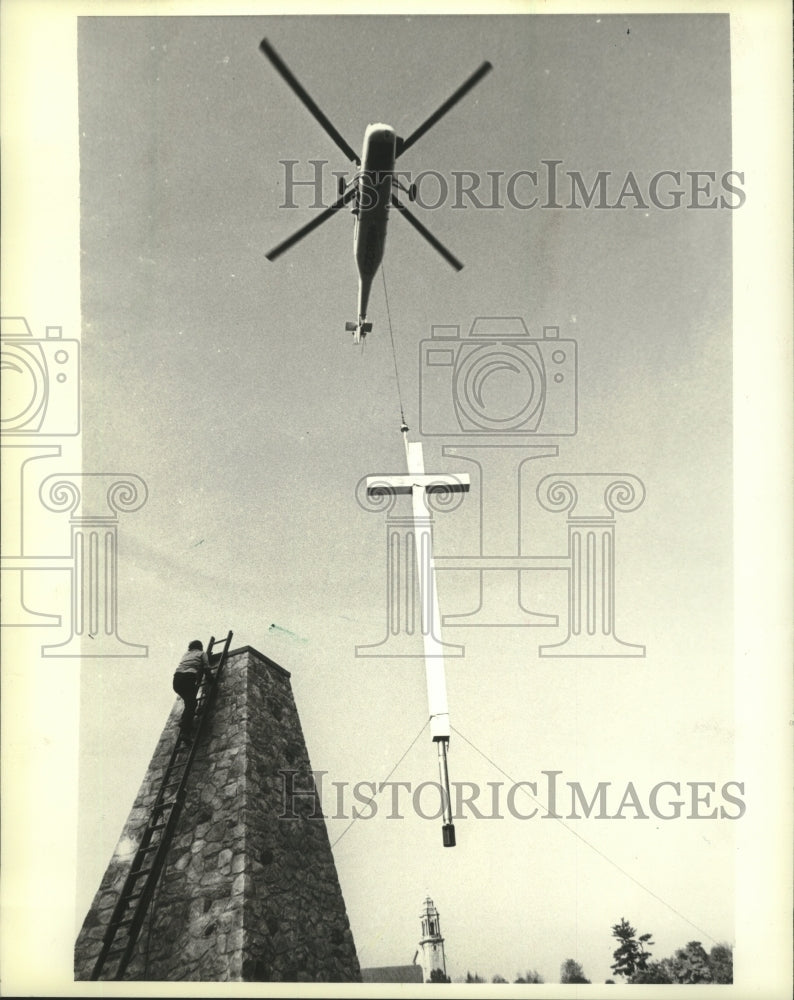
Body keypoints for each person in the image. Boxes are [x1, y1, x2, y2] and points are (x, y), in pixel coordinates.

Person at [172, 639, 212, 744]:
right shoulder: (202, 653)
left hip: (177, 680)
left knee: (189, 702)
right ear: (200, 647)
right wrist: (212, 681)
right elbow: (206, 668)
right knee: (193, 703)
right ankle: (185, 731)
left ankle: (183, 720)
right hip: (188, 678)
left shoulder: (186, 654)